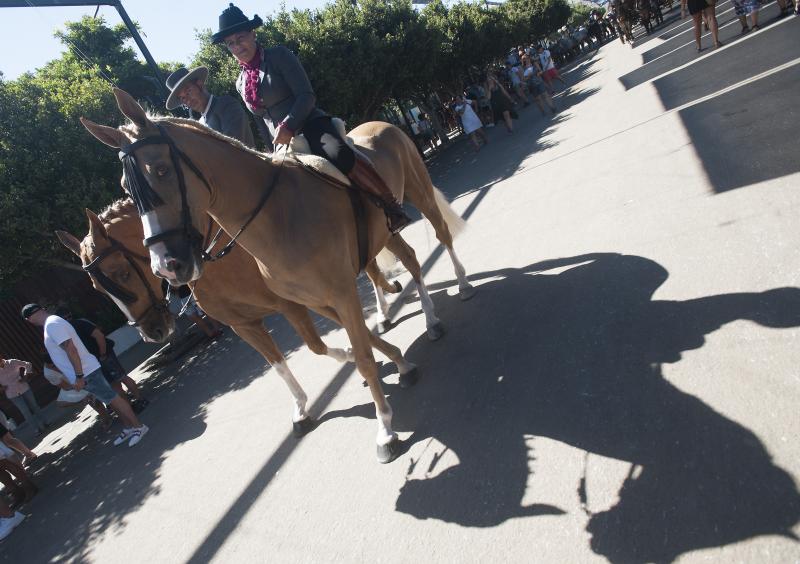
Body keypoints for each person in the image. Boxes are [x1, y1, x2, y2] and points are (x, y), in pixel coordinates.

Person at [213, 3, 410, 234]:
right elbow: (259, 120)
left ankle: (391, 206)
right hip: (280, 142)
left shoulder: (279, 55)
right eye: (231, 43)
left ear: (253, 34)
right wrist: (268, 153)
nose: (237, 46)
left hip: (309, 123)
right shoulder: (240, 82)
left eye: (241, 37)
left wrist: (288, 124)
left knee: (338, 153)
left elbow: (307, 95)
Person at [21, 304, 148, 447]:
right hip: (86, 371)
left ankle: (139, 427)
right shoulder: (52, 323)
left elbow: (71, 348)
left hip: (86, 371)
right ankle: (129, 427)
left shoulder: (52, 325)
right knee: (110, 400)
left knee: (114, 399)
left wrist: (79, 375)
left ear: (29, 319)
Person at [54, 307, 147, 414]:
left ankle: (136, 402)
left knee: (119, 380)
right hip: (98, 359)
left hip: (102, 356)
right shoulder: (77, 325)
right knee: (117, 382)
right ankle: (133, 404)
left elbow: (99, 336)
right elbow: (99, 334)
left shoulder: (75, 326)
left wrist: (102, 354)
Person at [164, 66, 256, 147]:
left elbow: (234, 148)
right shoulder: (199, 124)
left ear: (199, 84)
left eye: (188, 91)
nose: (188, 100)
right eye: (182, 98)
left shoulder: (225, 104)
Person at [42, 352, 113, 431]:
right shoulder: (48, 373)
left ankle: (107, 414)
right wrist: (79, 388)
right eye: (53, 366)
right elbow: (65, 387)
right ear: (48, 365)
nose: (56, 367)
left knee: (93, 394)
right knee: (61, 403)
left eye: (56, 363)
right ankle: (92, 404)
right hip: (72, 385)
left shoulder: (62, 357)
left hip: (82, 374)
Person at [0, 357, 46, 434]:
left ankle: (45, 422)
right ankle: (36, 429)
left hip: (24, 388)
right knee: (25, 411)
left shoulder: (12, 362)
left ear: (1, 357)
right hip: (12, 394)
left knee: (34, 406)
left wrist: (25, 376)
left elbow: (27, 364)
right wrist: (1, 388)